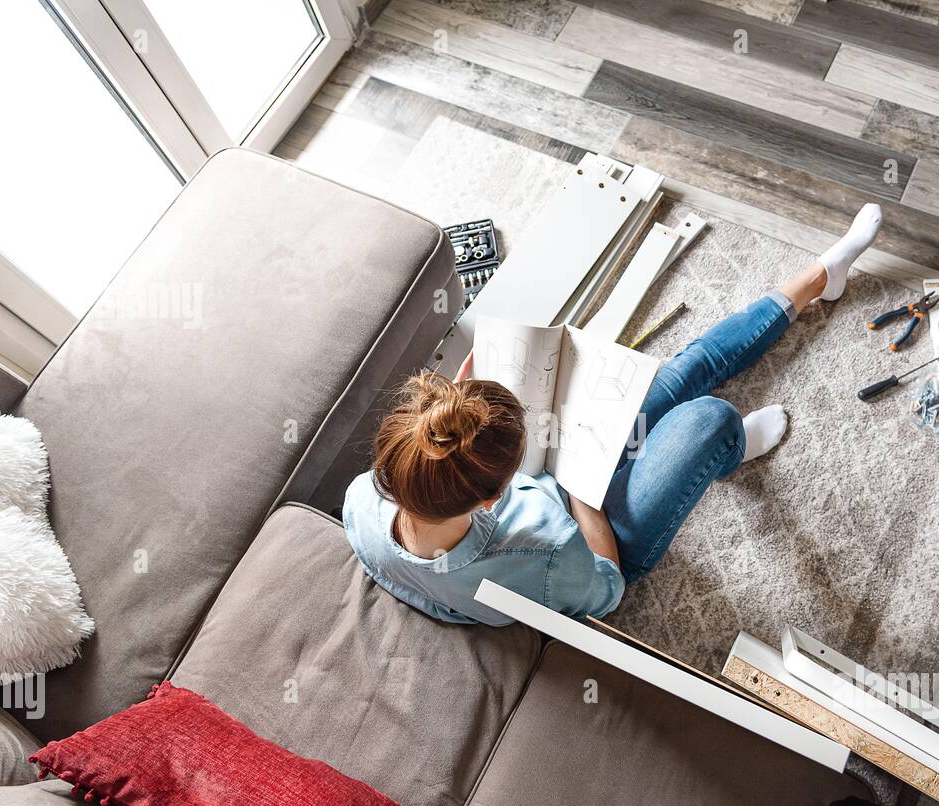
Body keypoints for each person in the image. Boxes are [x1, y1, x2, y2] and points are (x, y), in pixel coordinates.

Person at [343, 205, 884, 625]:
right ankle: (726, 450)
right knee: (707, 420)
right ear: (491, 499)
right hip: (597, 533)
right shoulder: (544, 564)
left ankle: (819, 278)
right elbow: (610, 587)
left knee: (679, 373)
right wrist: (578, 489)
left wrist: (467, 410)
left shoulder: (362, 499)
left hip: (546, 475)